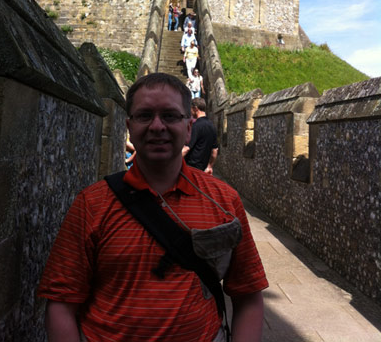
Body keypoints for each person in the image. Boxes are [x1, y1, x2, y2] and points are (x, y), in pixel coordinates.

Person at [38, 73, 268, 342]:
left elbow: (249, 293)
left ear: (189, 128)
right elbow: (61, 302)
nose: (157, 126)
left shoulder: (224, 200)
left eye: (170, 116)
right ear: (129, 126)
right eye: (144, 115)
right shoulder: (91, 204)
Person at [182, 97, 218, 175]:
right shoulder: (212, 126)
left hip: (191, 169)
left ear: (195, 109)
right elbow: (214, 151)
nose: (190, 112)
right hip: (203, 171)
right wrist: (209, 166)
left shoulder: (195, 126)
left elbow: (186, 149)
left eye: (190, 109)